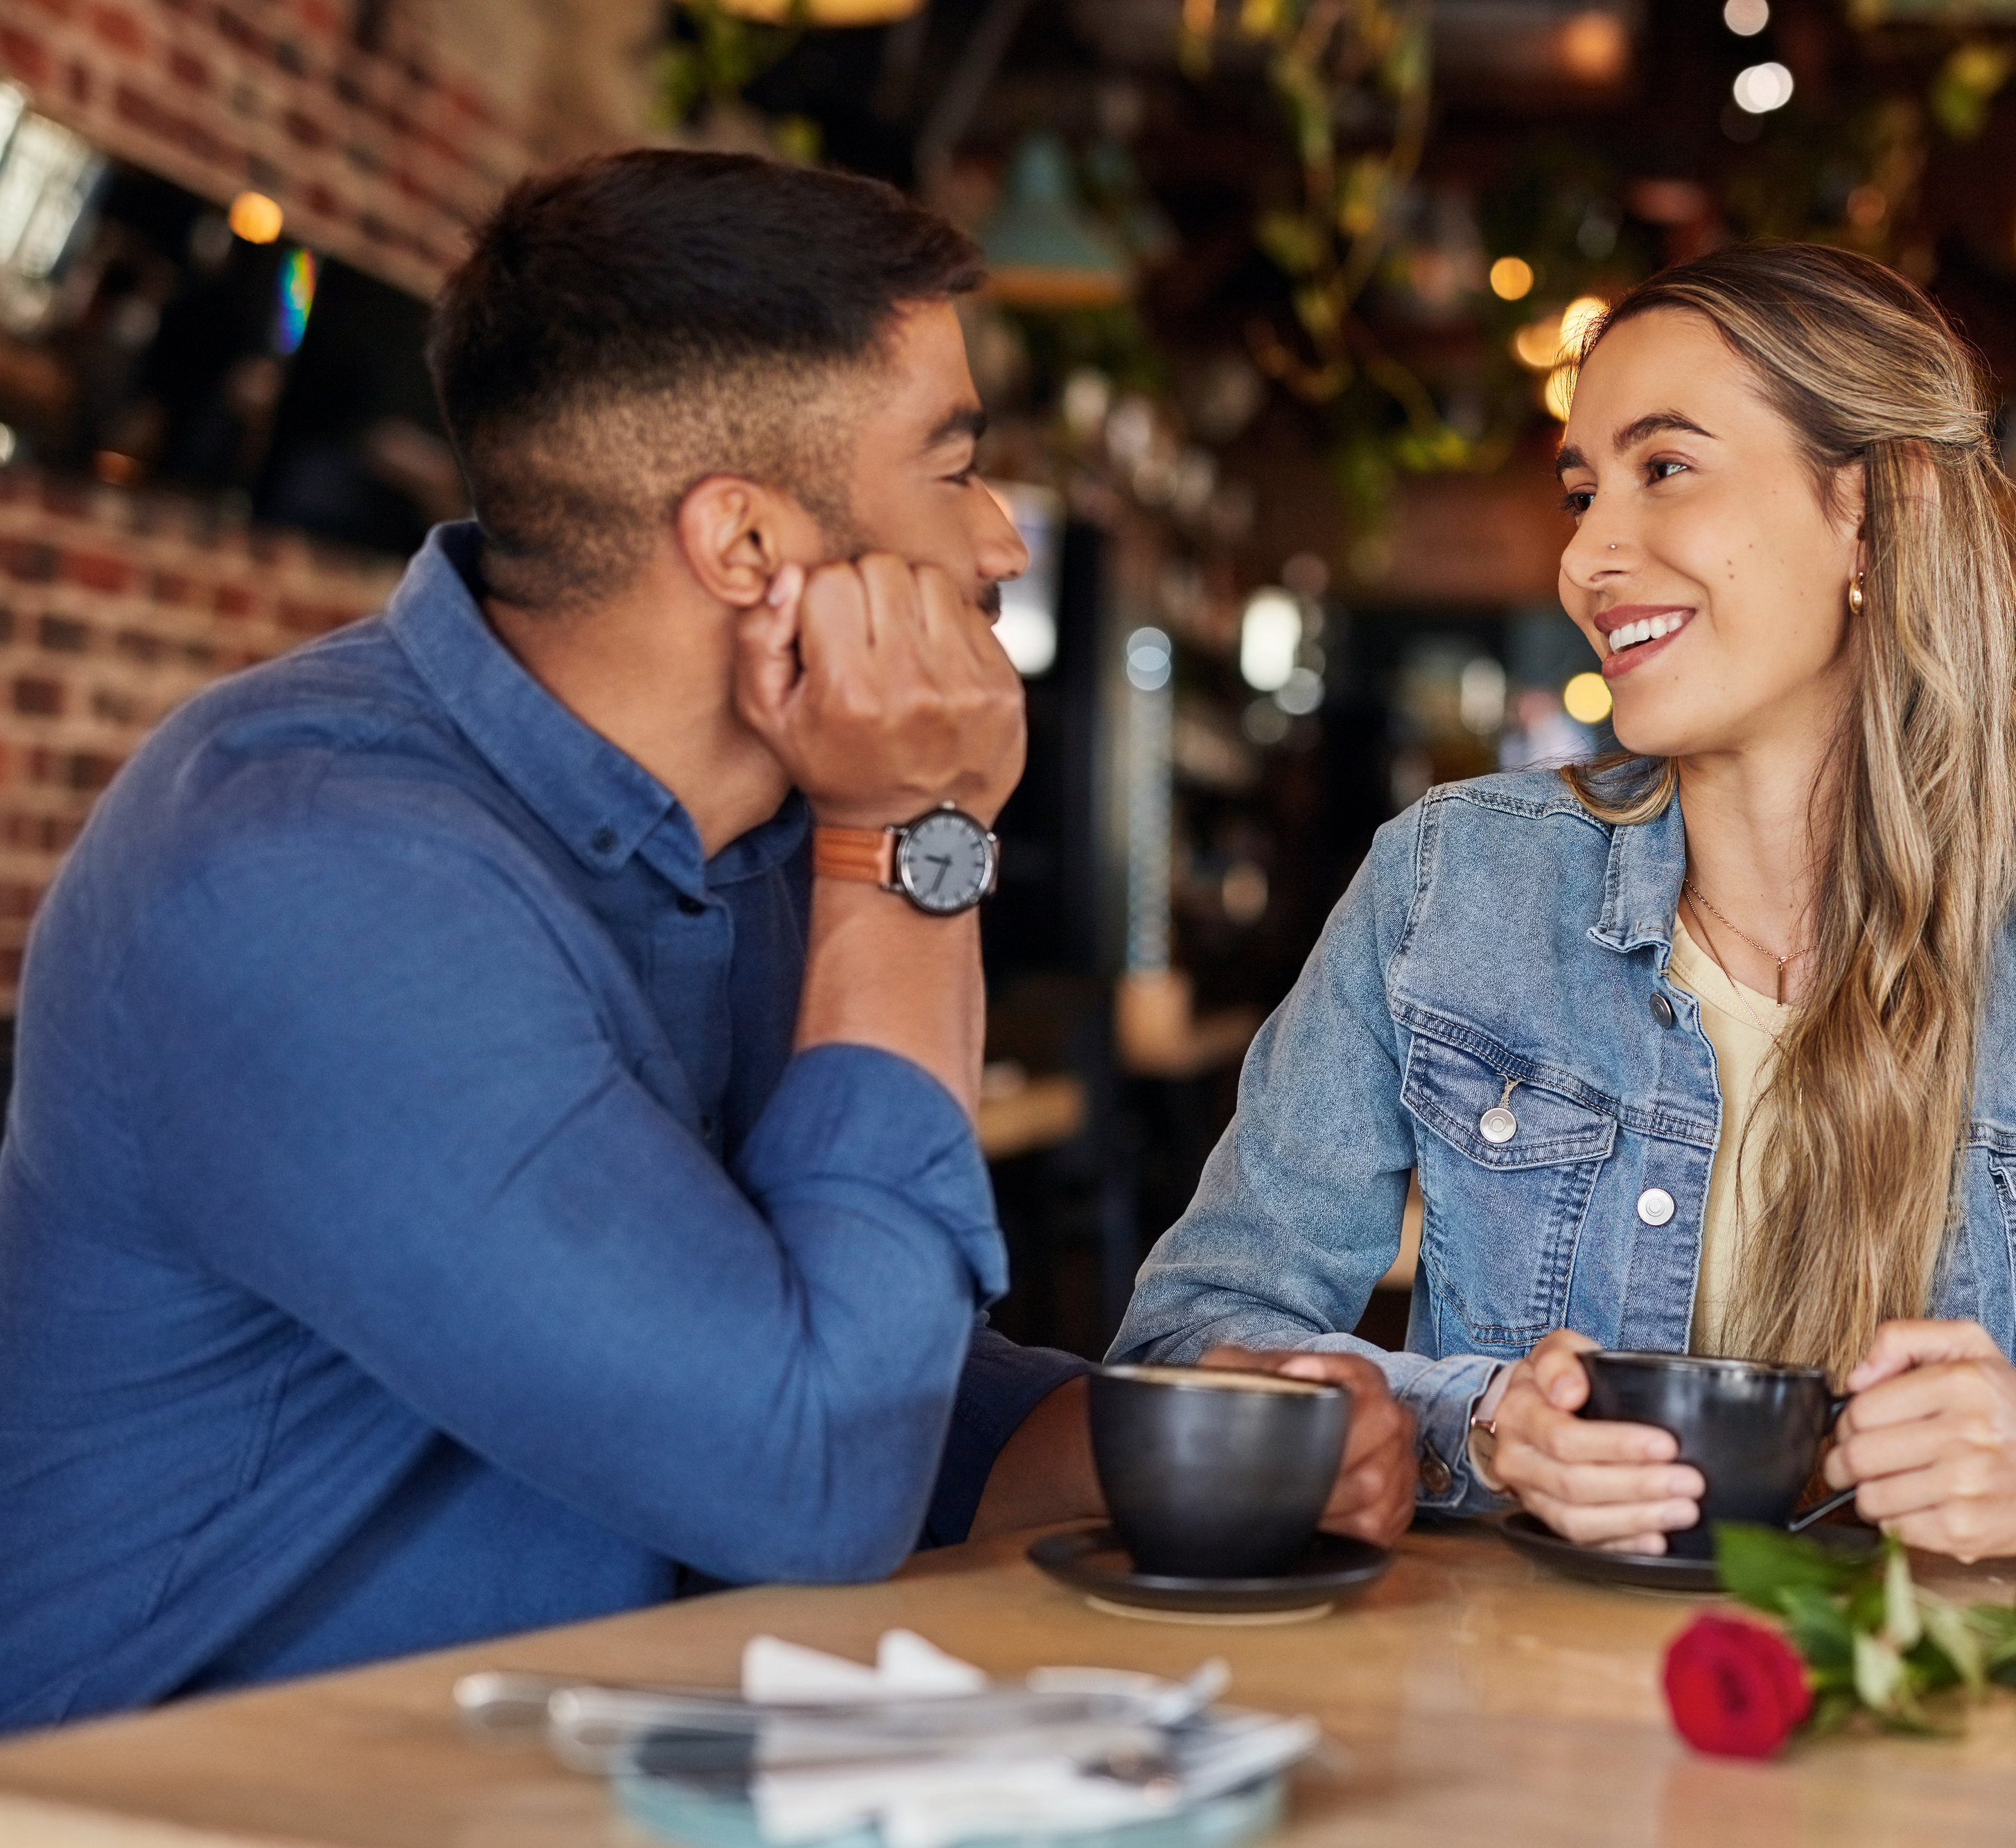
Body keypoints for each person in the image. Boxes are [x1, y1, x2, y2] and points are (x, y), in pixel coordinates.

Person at [0, 150, 1407, 1732]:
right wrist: (913, 836)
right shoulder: (301, 865)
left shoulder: (756, 838)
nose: (1001, 542)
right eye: (951, 467)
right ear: (744, 548)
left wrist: (1160, 1441)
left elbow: (820, 1355)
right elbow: (806, 1466)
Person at [1113, 243, 2016, 1587]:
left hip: (1933, 1773)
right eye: (1580, 492)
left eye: (1664, 470)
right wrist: (1469, 1420)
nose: (1587, 556)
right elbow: (1184, 1341)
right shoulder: (1445, 892)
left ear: (1868, 512)